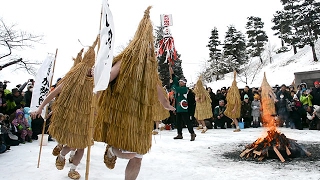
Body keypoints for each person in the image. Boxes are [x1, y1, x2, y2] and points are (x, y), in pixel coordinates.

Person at [93, 7, 175, 180]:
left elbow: (157, 86)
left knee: (138, 156)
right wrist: (99, 72)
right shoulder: (125, 61)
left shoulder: (150, 69)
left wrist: (165, 103)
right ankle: (112, 149)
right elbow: (110, 76)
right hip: (124, 112)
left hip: (141, 115)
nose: (147, 51)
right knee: (129, 154)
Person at [31, 39, 98, 180]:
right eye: (89, 68)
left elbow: (97, 101)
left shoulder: (94, 83)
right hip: (71, 119)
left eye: (92, 68)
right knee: (73, 144)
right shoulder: (71, 80)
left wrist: (96, 114)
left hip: (85, 120)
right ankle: (61, 154)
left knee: (82, 146)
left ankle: (73, 169)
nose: (91, 70)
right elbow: (53, 94)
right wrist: (41, 108)